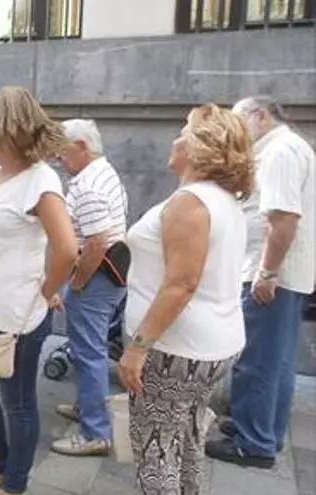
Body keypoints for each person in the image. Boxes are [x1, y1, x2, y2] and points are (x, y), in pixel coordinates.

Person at [119, 103, 254, 495]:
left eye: (183, 130)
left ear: (200, 145)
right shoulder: (222, 200)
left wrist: (138, 348)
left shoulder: (191, 202)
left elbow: (181, 283)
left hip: (176, 351)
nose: (175, 139)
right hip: (207, 345)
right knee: (188, 439)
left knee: (157, 451)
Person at [0, 86, 77, 495]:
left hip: (17, 316)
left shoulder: (40, 180)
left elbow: (67, 249)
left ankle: (14, 483)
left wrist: (46, 291)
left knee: (18, 403)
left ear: (7, 128)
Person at [206, 96, 316, 468]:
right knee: (277, 360)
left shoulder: (280, 151)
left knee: (257, 360)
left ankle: (252, 442)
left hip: (270, 275)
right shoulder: (290, 147)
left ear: (262, 116)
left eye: (239, 121)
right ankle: (264, 430)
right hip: (284, 275)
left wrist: (267, 272)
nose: (235, 131)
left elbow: (282, 219)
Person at [51, 119, 128, 457]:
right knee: (88, 347)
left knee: (89, 351)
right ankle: (87, 407)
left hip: (95, 276)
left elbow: (96, 241)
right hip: (107, 275)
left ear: (81, 146)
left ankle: (95, 432)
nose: (57, 157)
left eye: (61, 150)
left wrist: (78, 280)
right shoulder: (103, 172)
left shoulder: (87, 185)